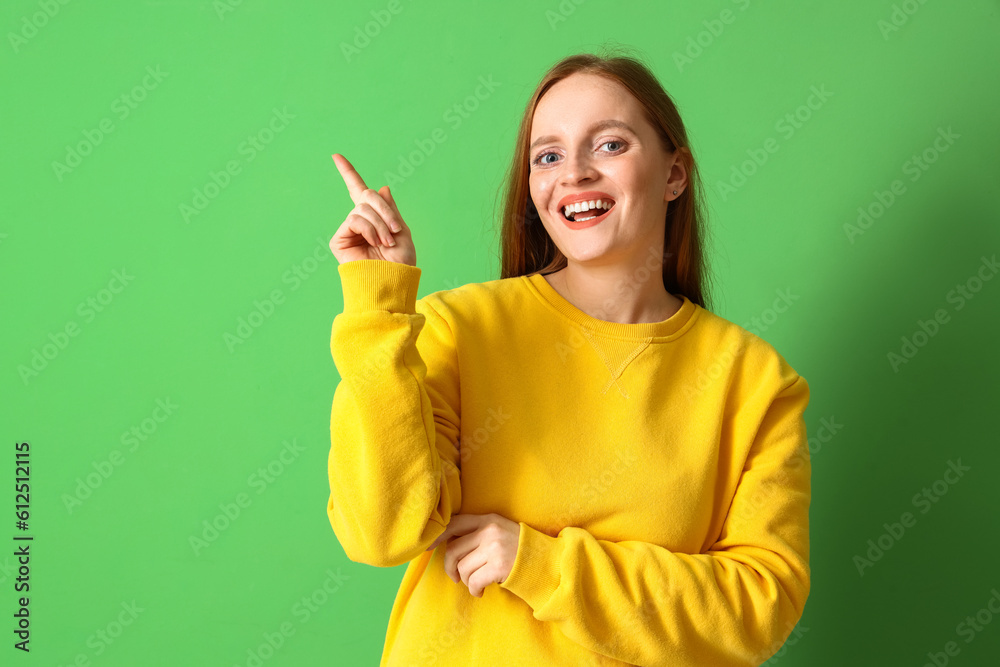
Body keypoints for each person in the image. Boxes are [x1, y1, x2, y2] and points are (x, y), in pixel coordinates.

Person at [326, 48, 811, 666]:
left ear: (674, 174)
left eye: (609, 145)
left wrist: (542, 564)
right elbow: (382, 530)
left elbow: (758, 609)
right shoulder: (458, 330)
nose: (574, 174)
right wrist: (377, 307)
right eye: (548, 156)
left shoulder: (753, 380)